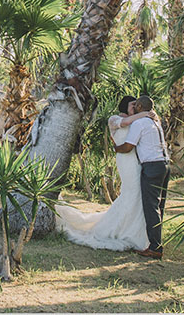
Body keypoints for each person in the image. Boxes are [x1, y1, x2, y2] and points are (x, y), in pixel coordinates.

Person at [53, 96, 158, 251]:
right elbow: (125, 124)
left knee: (135, 195)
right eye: (133, 105)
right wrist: (146, 113)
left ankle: (133, 230)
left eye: (137, 105)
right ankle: (120, 230)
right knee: (132, 192)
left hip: (137, 162)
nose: (136, 107)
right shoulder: (114, 119)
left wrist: (149, 115)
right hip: (125, 161)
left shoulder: (138, 121)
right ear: (124, 106)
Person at [113, 95, 170, 260]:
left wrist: (116, 148)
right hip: (165, 164)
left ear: (139, 106)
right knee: (160, 205)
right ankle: (156, 241)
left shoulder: (138, 123)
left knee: (151, 206)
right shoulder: (155, 122)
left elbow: (128, 146)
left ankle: (155, 247)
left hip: (151, 166)